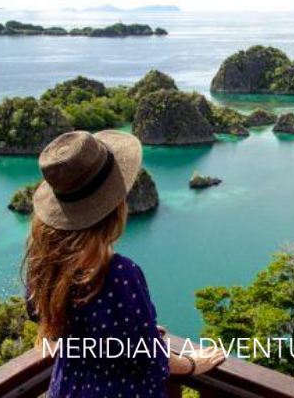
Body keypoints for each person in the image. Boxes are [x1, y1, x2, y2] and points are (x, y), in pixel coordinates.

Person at [24, 131, 226, 398]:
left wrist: (127, 331)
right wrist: (191, 364)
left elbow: (57, 333)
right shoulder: (117, 273)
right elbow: (149, 358)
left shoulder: (45, 264)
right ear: (115, 205)